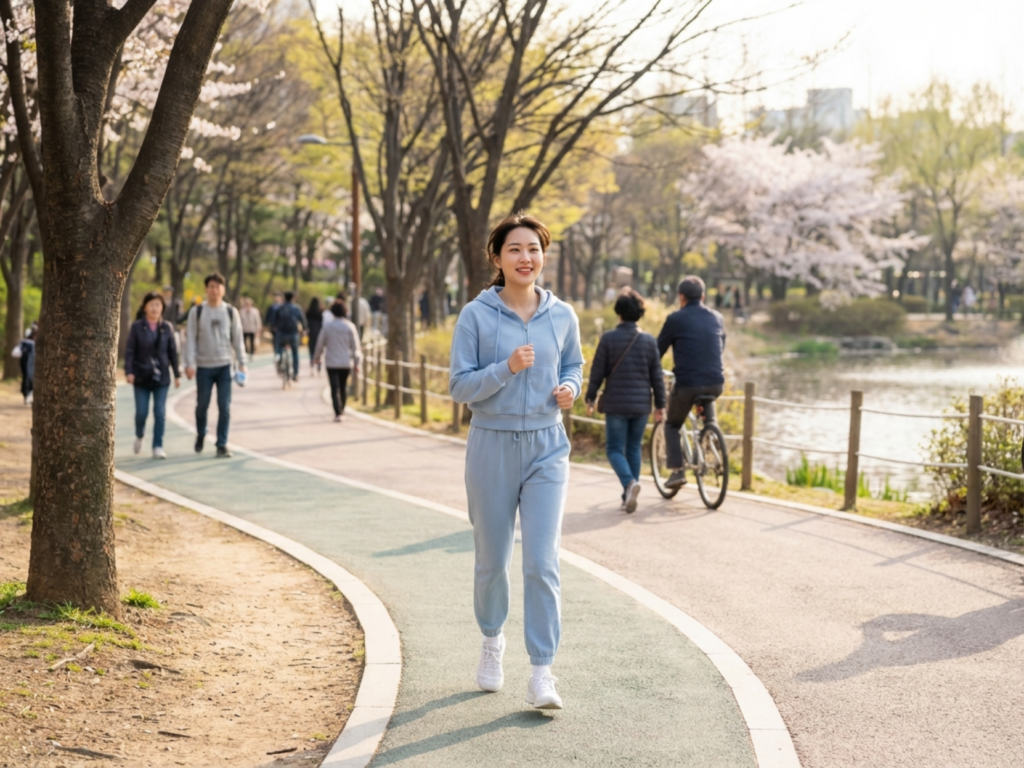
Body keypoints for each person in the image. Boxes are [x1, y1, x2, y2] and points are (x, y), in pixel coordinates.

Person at [448, 213, 584, 711]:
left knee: (543, 561)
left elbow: (574, 364)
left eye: (534, 249)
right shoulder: (475, 316)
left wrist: (569, 387)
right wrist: (505, 368)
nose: (526, 258)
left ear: (543, 256)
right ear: (497, 257)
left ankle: (542, 672)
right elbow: (459, 386)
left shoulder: (562, 315)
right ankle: (491, 641)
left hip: (548, 445)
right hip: (491, 443)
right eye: (515, 249)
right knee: (492, 560)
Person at [584, 289, 665, 513]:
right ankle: (628, 494)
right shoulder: (649, 341)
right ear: (639, 314)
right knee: (633, 448)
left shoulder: (608, 339)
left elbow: (597, 372)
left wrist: (590, 397)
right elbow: (657, 377)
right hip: (641, 405)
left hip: (617, 404)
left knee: (613, 449)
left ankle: (629, 484)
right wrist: (661, 405)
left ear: (618, 312)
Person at [656, 275, 726, 489]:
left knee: (672, 424)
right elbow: (720, 346)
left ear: (681, 297)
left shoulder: (675, 319)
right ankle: (710, 432)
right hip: (716, 382)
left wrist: (653, 369)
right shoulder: (717, 317)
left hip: (687, 383)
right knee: (707, 415)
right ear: (703, 296)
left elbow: (658, 350)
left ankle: (677, 471)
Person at [185, 273, 247, 458]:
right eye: (211, 286)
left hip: (225, 365)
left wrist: (242, 362)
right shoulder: (197, 312)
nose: (214, 290)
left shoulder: (231, 312)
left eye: (218, 286)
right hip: (204, 366)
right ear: (206, 289)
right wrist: (189, 363)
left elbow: (238, 339)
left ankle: (222, 443)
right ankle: (201, 433)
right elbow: (191, 339)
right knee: (202, 405)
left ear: (223, 289)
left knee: (224, 406)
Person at [125, 292, 181, 459]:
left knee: (160, 412)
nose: (155, 308)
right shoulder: (136, 327)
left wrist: (177, 374)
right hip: (141, 376)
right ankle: (139, 434)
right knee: (141, 413)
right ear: (145, 307)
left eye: (158, 305)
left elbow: (173, 352)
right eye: (152, 304)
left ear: (162, 307)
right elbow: (130, 351)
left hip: (162, 377)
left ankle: (157, 445)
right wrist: (129, 371)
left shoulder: (167, 328)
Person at [313, 300, 361, 421]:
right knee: (343, 387)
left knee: (334, 388)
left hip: (331, 362)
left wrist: (317, 357)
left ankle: (337, 412)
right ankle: (342, 411)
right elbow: (355, 347)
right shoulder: (350, 327)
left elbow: (320, 343)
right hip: (345, 362)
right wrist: (357, 363)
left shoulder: (327, 326)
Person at [271, 291, 307, 380]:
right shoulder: (296, 308)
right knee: (295, 353)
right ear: (293, 298)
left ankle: (278, 360)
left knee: (278, 348)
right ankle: (295, 373)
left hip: (281, 333)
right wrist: (304, 329)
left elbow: (273, 320)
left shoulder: (279, 307)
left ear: (284, 298)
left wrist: (274, 329)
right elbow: (302, 320)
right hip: (293, 333)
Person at [11, 324, 36, 405]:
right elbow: (15, 353)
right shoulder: (26, 343)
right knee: (28, 380)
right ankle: (27, 396)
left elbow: (15, 353)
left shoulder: (25, 343)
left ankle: (28, 396)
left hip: (29, 367)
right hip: (27, 367)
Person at [307, 297, 323, 373]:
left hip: (311, 332)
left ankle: (312, 363)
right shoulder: (320, 312)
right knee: (319, 348)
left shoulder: (308, 312)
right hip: (319, 333)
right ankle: (319, 364)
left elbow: (306, 322)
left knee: (311, 348)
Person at [265, 292, 284, 357]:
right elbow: (268, 316)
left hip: (283, 326)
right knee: (275, 339)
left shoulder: (283, 306)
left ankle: (281, 352)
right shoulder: (272, 307)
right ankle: (277, 352)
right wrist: (267, 324)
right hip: (274, 326)